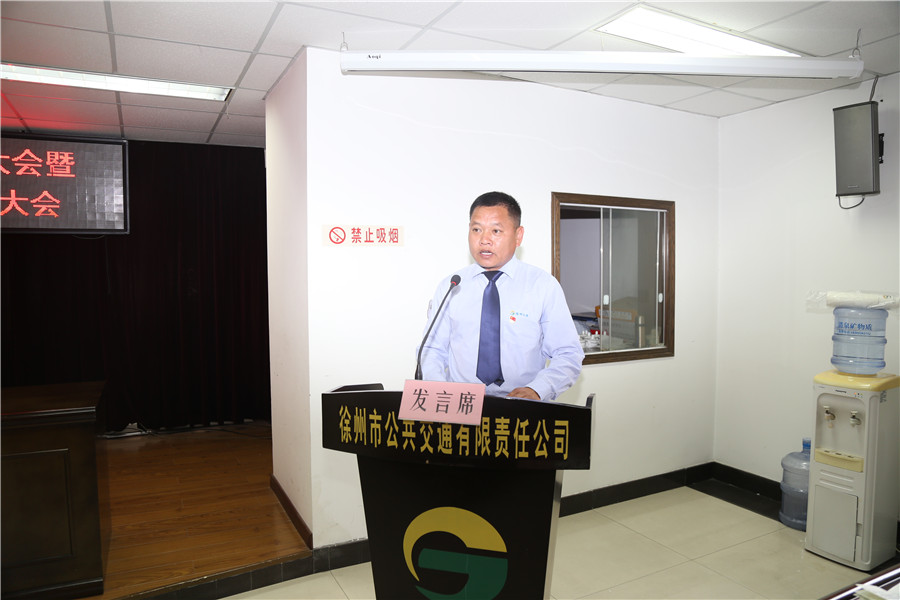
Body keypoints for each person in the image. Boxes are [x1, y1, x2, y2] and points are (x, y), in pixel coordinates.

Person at [417, 191, 584, 401]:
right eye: (476, 230)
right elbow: (431, 349)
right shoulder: (451, 286)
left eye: (496, 231)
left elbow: (568, 354)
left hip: (522, 408)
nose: (484, 240)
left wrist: (538, 389)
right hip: (462, 405)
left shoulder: (542, 286)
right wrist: (442, 393)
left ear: (518, 235)